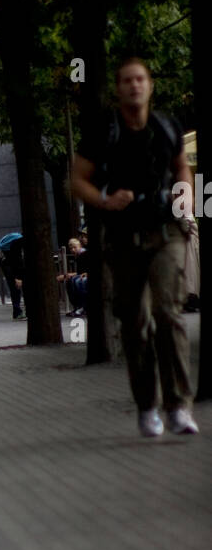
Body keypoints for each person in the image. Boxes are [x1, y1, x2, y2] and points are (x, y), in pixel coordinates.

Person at [71, 56, 197, 437]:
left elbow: (181, 167)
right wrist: (105, 201)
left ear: (150, 84)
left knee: (168, 313)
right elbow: (77, 179)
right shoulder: (102, 133)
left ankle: (178, 405)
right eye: (127, 80)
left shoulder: (165, 127)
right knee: (134, 324)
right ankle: (147, 405)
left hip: (166, 231)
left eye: (140, 79)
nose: (134, 86)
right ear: (118, 88)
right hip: (124, 238)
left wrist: (184, 197)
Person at [56, 237, 89, 317]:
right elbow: (79, 272)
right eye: (71, 248)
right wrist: (67, 275)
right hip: (82, 274)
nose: (73, 250)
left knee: (78, 281)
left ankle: (83, 306)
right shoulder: (78, 256)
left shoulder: (84, 254)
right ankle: (77, 306)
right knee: (70, 280)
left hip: (85, 275)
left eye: (75, 247)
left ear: (79, 246)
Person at [0, 232, 25, 319]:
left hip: (4, 256)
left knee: (13, 286)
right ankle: (17, 311)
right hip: (8, 258)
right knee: (14, 286)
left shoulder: (16, 238)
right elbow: (18, 260)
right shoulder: (18, 241)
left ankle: (17, 311)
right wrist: (17, 278)